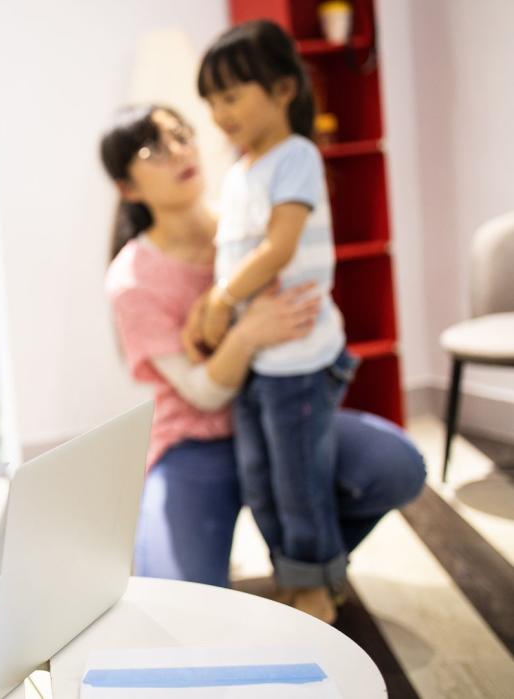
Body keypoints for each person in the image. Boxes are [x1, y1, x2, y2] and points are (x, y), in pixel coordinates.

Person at [100, 104, 425, 605]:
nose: (180, 152)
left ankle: (307, 570)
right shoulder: (132, 278)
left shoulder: (253, 222)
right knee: (181, 600)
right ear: (127, 186)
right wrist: (246, 333)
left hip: (286, 416)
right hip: (197, 442)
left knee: (397, 465)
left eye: (182, 135)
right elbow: (202, 395)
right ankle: (299, 568)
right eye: (154, 149)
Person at [191, 19, 352, 622]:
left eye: (231, 96)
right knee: (259, 480)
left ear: (283, 89)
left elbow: (279, 247)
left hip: (300, 360)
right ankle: (293, 572)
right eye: (211, 101)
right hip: (259, 360)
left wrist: (221, 301)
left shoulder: (297, 156)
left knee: (299, 482)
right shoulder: (239, 172)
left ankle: (316, 585)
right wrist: (211, 304)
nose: (218, 112)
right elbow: (235, 250)